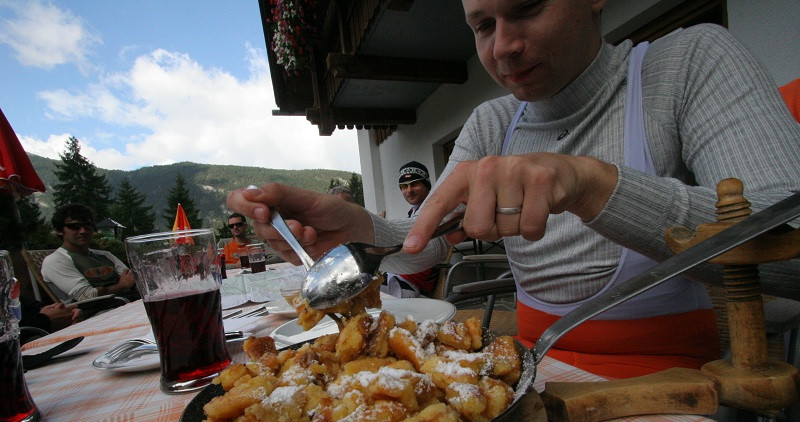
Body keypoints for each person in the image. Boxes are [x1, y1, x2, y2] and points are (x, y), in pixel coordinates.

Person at [229, 0, 800, 379]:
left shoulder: (689, 64)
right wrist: (355, 227)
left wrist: (593, 185)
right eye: (482, 26)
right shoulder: (490, 122)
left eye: (526, 8)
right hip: (530, 372)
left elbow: (791, 255)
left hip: (676, 386)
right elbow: (424, 244)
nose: (503, 48)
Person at [42, 203, 139, 303]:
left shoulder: (105, 255)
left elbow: (133, 280)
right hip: (93, 314)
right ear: (59, 230)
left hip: (126, 303)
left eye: (88, 226)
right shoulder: (56, 260)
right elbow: (87, 296)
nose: (83, 231)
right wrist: (121, 286)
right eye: (75, 227)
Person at [381, 162, 439, 298]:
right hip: (402, 276)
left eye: (415, 184)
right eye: (404, 186)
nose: (409, 190)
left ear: (426, 185)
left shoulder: (432, 210)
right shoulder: (414, 212)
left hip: (413, 284)